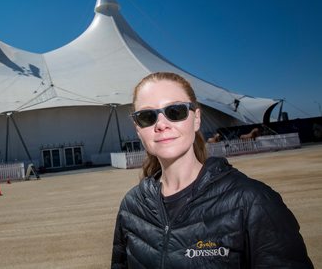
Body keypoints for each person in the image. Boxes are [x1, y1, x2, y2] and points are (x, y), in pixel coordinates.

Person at [111, 72, 313, 268]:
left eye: (176, 111)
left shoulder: (252, 202)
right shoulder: (132, 207)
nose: (161, 124)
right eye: (147, 116)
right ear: (138, 129)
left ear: (196, 118)